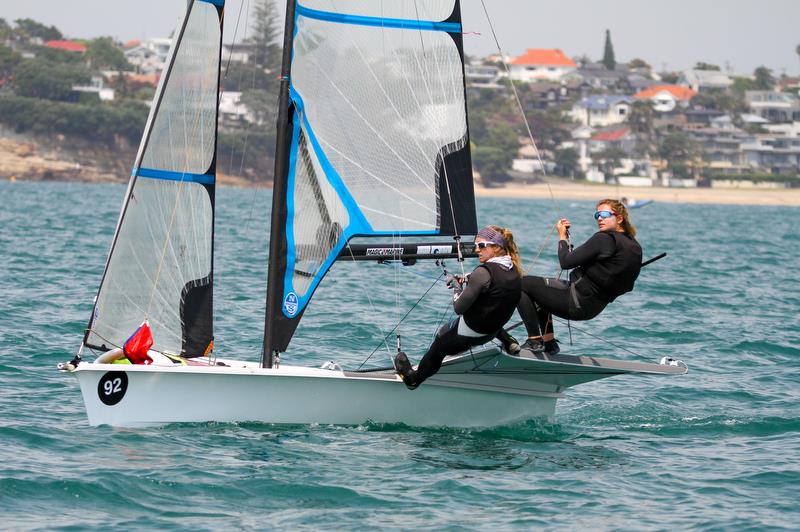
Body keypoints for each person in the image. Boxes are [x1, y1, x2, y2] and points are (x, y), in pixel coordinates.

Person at [394, 225, 523, 389]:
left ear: (497, 247)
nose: (477, 250)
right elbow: (493, 287)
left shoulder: (483, 273)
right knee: (495, 305)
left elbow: (458, 308)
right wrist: (468, 279)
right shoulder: (514, 270)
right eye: (475, 245)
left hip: (471, 334)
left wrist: (457, 287)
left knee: (440, 342)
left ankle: (414, 380)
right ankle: (509, 341)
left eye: (481, 246)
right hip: (491, 332)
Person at [517, 198, 642, 355]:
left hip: (575, 302)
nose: (600, 218)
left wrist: (562, 237)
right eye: (597, 215)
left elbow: (566, 262)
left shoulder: (603, 238)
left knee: (521, 283)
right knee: (540, 287)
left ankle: (535, 341)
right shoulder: (634, 246)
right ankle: (549, 343)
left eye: (605, 214)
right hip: (593, 307)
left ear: (619, 218)